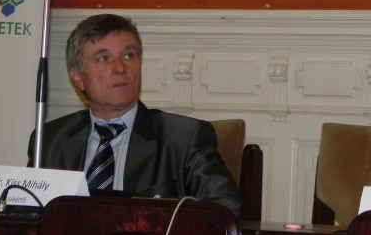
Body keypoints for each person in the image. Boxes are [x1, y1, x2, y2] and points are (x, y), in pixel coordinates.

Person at [27, 13, 242, 216]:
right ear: (78, 77)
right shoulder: (50, 140)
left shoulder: (182, 139)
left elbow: (226, 209)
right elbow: (24, 214)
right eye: (103, 58)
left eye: (128, 55)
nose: (120, 68)